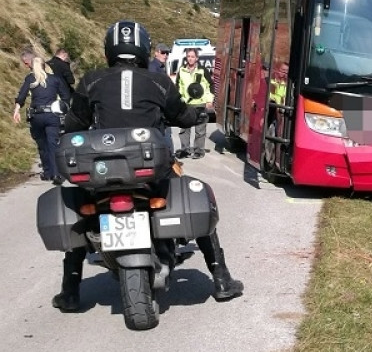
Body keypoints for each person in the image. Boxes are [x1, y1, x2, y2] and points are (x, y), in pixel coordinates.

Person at [52, 20, 244, 312]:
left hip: (101, 174)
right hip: (151, 169)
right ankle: (221, 278)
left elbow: (74, 123)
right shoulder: (158, 81)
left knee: (81, 210)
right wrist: (197, 115)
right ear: (143, 49)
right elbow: (184, 116)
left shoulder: (91, 80)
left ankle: (69, 290)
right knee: (195, 196)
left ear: (109, 49)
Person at [12, 48, 71, 185]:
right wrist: (62, 108)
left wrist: (16, 109)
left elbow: (22, 95)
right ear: (45, 66)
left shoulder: (30, 79)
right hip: (52, 115)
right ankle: (56, 174)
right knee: (53, 144)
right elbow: (66, 96)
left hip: (36, 116)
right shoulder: (55, 79)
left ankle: (48, 172)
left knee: (42, 144)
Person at [174, 47, 213, 159]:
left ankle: (198, 150)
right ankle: (185, 149)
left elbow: (210, 85)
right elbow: (178, 86)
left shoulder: (202, 70)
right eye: (188, 56)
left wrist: (209, 100)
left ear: (197, 58)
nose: (190, 59)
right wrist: (179, 99)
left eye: (192, 57)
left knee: (200, 129)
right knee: (184, 128)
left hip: (200, 103)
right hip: (186, 104)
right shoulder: (182, 70)